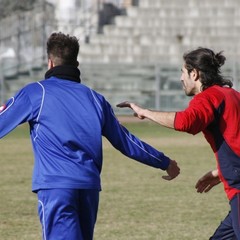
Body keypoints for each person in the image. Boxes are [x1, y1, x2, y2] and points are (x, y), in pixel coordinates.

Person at [0, 32, 180, 240]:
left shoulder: (36, 92)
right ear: (76, 63)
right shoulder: (96, 99)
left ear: (50, 63)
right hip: (88, 188)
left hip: (56, 187)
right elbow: (126, 142)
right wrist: (164, 161)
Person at [117, 47, 240, 239]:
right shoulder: (232, 94)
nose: (181, 78)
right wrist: (222, 172)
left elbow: (185, 122)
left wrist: (145, 112)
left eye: (183, 72)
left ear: (195, 73)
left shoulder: (209, 97)